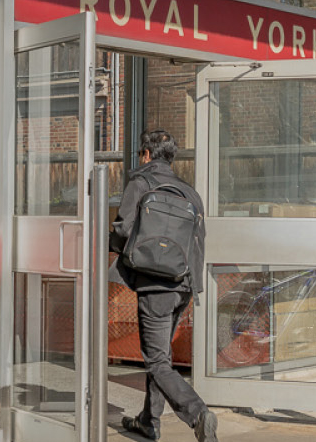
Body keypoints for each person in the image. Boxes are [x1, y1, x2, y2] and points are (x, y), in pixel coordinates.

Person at [109, 129, 217, 442]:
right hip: (182, 286)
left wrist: (110, 246)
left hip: (155, 288)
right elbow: (199, 242)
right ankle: (149, 421)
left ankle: (198, 413)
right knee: (162, 359)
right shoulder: (189, 192)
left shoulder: (140, 183)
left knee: (156, 361)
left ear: (145, 154)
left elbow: (123, 229)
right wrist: (191, 288)